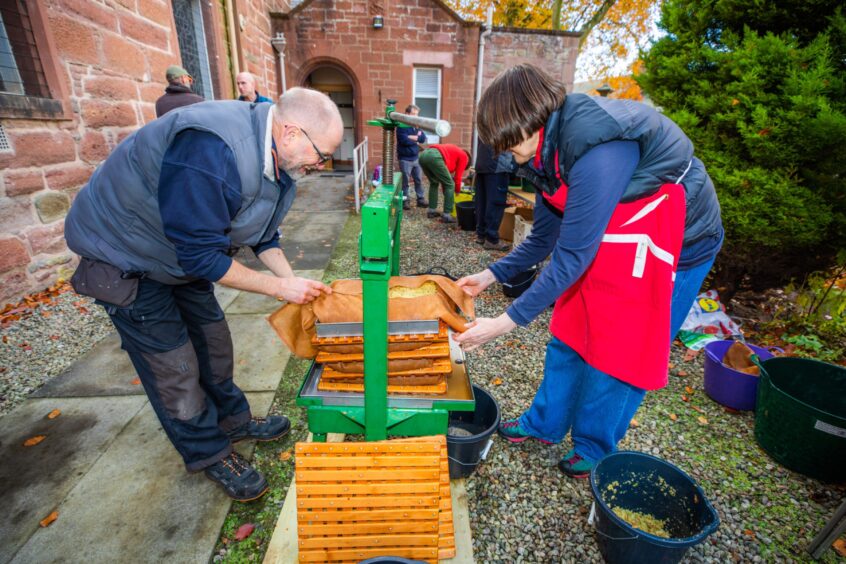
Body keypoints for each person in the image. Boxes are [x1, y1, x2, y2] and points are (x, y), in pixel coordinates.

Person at [65, 88, 344, 501]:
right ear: (290, 134)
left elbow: (263, 233)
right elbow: (198, 256)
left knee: (212, 340)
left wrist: (294, 283)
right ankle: (208, 451)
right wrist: (276, 287)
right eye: (320, 155)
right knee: (173, 364)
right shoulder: (211, 147)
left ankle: (233, 421)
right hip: (124, 254)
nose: (320, 165)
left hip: (177, 252)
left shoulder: (280, 164)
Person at [453, 64, 723, 479]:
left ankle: (594, 445)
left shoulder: (597, 146)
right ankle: (544, 422)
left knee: (621, 352)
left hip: (674, 248)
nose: (506, 153)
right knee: (570, 330)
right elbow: (545, 238)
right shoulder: (541, 155)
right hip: (608, 239)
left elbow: (572, 256)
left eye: (509, 142)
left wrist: (504, 323)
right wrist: (490, 275)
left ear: (533, 120)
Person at [474, 141, 514, 251]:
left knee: (482, 201)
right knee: (496, 203)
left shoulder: (485, 123)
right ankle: (491, 239)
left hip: (482, 163)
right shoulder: (504, 122)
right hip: (497, 165)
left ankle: (481, 235)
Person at [418, 143, 471, 224]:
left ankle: (431, 211)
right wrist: (457, 191)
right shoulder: (464, 157)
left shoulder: (453, 155)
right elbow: (457, 178)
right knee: (451, 184)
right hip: (434, 156)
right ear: (467, 162)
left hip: (423, 155)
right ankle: (446, 215)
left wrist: (446, 195)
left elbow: (444, 182)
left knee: (434, 183)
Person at [396, 104, 428, 210]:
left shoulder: (417, 125)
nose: (416, 117)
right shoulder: (401, 126)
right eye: (413, 114)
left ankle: (420, 199)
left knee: (418, 180)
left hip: (416, 158)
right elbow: (404, 141)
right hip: (405, 159)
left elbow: (423, 139)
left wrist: (412, 137)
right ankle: (405, 201)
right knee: (405, 182)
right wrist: (416, 138)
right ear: (407, 114)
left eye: (417, 114)